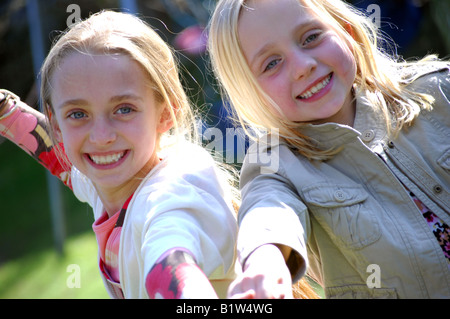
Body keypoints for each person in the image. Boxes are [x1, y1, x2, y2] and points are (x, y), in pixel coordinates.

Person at [208, 0, 449, 298]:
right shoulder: (276, 165)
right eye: (271, 63)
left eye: (311, 37)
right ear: (251, 93)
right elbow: (268, 210)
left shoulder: (437, 92)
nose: (303, 66)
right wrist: (265, 260)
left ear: (346, 31)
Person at [0, 10, 238, 299]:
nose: (101, 137)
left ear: (166, 113)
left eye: (124, 109)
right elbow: (58, 159)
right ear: (57, 124)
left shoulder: (171, 200)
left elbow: (171, 259)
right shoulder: (110, 182)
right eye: (78, 114)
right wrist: (7, 112)